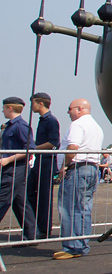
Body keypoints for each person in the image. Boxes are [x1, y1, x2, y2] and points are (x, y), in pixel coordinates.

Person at [54, 98, 104, 260]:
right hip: (92, 169)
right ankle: (82, 244)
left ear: (79, 109)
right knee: (84, 208)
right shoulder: (96, 127)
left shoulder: (77, 124)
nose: (68, 112)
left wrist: (65, 166)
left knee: (69, 208)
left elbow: (73, 147)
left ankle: (72, 246)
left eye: (69, 109)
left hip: (78, 169)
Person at [0, 97, 33, 239]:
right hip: (12, 167)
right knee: (20, 203)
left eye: (4, 108)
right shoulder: (10, 126)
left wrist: (8, 159)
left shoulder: (20, 126)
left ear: (10, 108)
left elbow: (29, 149)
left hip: (15, 168)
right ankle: (31, 236)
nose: (3, 111)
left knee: (3, 199)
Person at [28, 93, 59, 240]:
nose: (31, 106)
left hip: (46, 162)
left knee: (44, 197)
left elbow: (53, 142)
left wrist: (34, 148)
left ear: (40, 104)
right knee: (32, 193)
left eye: (33, 103)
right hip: (39, 161)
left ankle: (44, 229)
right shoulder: (43, 120)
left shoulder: (51, 121)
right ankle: (34, 226)